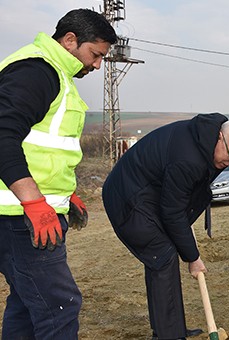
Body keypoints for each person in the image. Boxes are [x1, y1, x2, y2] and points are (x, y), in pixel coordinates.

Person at [0, 9, 116, 339]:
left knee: (26, 303)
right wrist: (35, 202)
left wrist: (66, 195)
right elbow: (3, 135)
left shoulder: (52, 73)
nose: (96, 65)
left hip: (24, 213)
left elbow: (44, 150)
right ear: (69, 40)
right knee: (60, 306)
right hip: (22, 219)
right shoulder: (38, 71)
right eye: (95, 54)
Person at [102, 114, 229, 340]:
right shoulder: (188, 158)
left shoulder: (208, 144)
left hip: (150, 193)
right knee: (162, 256)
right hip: (127, 199)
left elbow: (186, 195)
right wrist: (193, 257)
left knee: (164, 257)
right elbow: (172, 212)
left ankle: (171, 329)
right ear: (220, 138)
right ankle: (169, 334)